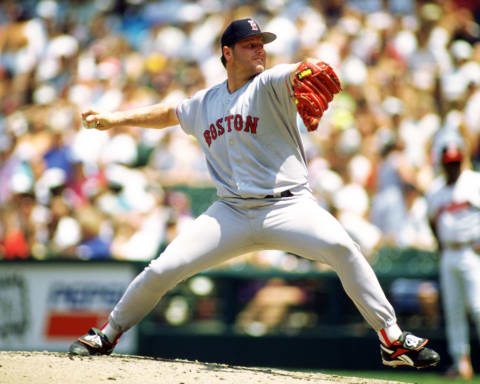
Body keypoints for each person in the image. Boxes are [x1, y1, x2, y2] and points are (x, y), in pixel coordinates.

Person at [69, 18, 440, 369]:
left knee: (343, 250)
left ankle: (391, 340)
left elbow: (296, 71)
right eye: (250, 45)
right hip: (229, 212)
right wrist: (115, 119)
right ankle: (107, 333)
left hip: (289, 207)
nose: (260, 50)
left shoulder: (270, 83)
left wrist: (305, 68)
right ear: (227, 52)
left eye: (261, 44)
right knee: (163, 268)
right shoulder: (205, 102)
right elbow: (169, 113)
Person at [426, 143, 480, 379]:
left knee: (478, 307)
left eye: (456, 163)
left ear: (462, 162)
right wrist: (439, 242)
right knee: (453, 309)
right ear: (443, 165)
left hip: (472, 251)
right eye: (449, 164)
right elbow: (431, 219)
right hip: (449, 252)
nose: (453, 168)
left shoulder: (474, 182)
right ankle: (461, 362)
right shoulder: (435, 189)